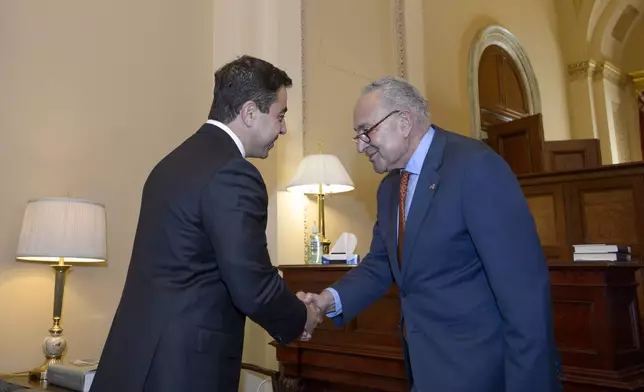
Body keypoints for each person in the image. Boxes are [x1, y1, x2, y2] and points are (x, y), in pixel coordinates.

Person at [301, 76, 561, 391]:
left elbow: (524, 296)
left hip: (483, 373)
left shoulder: (475, 167)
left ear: (404, 122)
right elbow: (382, 263)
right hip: (425, 370)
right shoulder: (389, 189)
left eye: (365, 132)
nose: (359, 146)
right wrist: (328, 300)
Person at [90, 55, 322, 392]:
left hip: (133, 361)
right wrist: (302, 316)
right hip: (181, 370)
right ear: (249, 113)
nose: (284, 129)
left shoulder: (170, 164)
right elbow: (252, 284)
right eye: (280, 116)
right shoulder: (234, 173)